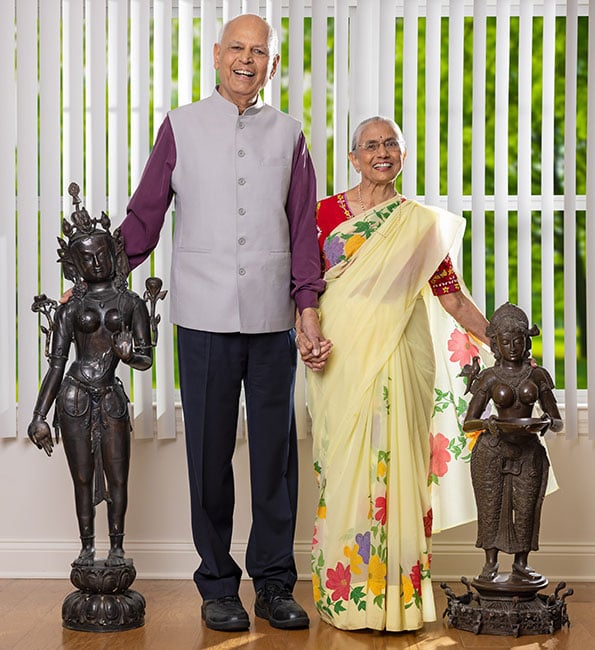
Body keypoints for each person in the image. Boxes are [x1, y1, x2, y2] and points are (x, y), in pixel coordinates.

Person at [118, 14, 327, 633]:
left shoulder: (290, 133)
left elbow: (302, 231)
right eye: (237, 48)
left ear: (271, 62)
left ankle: (274, 582)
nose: (247, 59)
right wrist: (102, 271)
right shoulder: (181, 126)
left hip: (271, 320)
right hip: (202, 317)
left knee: (275, 458)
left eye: (258, 51)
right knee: (208, 456)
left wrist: (307, 305)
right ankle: (217, 583)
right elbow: (145, 215)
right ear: (217, 55)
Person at [302, 116, 490, 631]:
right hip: (337, 356)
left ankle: (397, 599)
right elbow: (304, 287)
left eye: (391, 144)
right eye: (370, 145)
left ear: (403, 155)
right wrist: (307, 334)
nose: (381, 152)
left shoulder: (420, 225)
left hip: (403, 357)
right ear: (353, 157)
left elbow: (451, 296)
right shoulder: (321, 215)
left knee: (402, 467)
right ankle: (349, 596)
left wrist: (499, 338)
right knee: (341, 470)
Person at [27, 184, 154, 569]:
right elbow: (56, 365)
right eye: (87, 257)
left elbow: (146, 360)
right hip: (74, 397)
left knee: (118, 478)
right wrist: (38, 416)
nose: (96, 262)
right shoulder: (71, 310)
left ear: (113, 255)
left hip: (111, 399)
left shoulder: (131, 304)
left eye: (102, 254)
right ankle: (86, 547)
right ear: (75, 265)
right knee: (82, 478)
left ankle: (116, 547)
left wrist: (129, 355)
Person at [462, 302, 563, 583]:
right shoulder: (489, 377)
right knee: (491, 507)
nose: (513, 346)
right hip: (492, 450)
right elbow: (468, 422)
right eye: (506, 341)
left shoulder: (538, 375)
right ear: (496, 344)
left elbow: (556, 419)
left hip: (529, 451)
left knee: (527, 508)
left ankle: (521, 563)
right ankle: (490, 563)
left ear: (526, 342)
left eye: (518, 340)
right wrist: (487, 423)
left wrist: (545, 423)